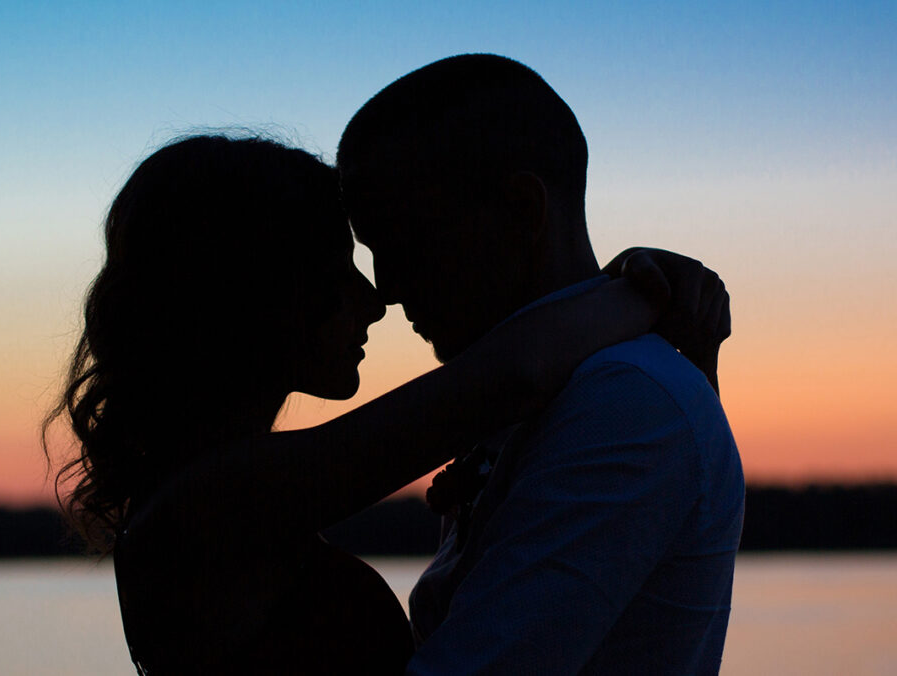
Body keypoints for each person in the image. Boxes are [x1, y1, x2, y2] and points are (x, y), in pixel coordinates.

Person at [43, 134, 728, 674]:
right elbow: (515, 372)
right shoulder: (213, 503)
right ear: (254, 290)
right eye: (336, 267)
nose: (374, 299)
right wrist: (643, 293)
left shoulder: (212, 496)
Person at [336, 54, 745, 675]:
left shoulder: (625, 404)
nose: (386, 289)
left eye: (406, 243)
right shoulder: (548, 395)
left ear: (523, 211)